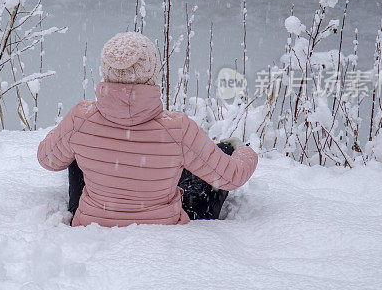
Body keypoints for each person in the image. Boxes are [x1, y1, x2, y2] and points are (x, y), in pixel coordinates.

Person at [37, 32, 258, 227]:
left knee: (78, 150)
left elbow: (47, 159)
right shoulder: (178, 127)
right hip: (161, 226)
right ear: (152, 72)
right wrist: (244, 151)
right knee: (221, 152)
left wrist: (64, 132)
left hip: (93, 222)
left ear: (106, 70)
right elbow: (232, 177)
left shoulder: (80, 117)